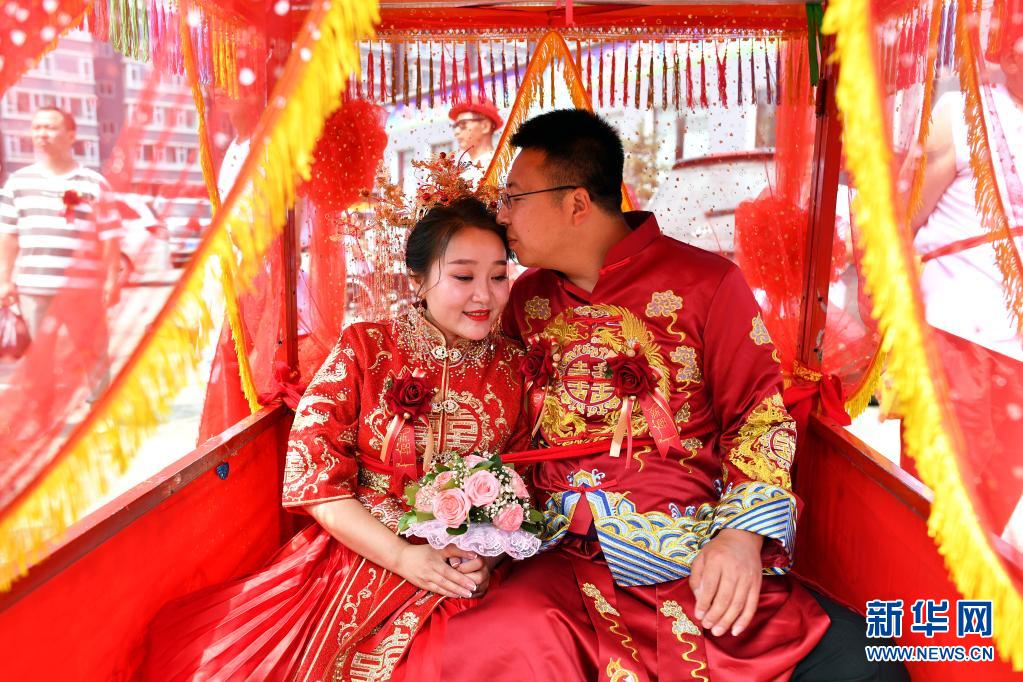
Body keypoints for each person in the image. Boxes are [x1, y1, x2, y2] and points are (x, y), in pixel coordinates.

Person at [425, 110, 905, 681]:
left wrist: (740, 537)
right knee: (487, 643)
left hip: (686, 547)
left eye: (515, 198)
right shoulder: (523, 300)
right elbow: (487, 411)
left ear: (576, 203)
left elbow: (758, 419)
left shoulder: (706, 284)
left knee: (866, 662)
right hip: (559, 557)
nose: (502, 215)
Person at [144, 190, 529, 680]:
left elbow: (524, 484)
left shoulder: (515, 368)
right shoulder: (366, 348)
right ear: (418, 279)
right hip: (361, 551)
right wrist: (402, 556)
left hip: (466, 567)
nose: (485, 296)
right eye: (463, 276)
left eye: (498, 276)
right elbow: (313, 474)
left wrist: (488, 561)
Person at [910, 4, 1023, 546]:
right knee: (938, 497)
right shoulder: (959, 113)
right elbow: (902, 219)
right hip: (954, 337)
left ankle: (959, 599)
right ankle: (913, 597)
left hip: (1017, 353)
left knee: (996, 505)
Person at [0, 106, 119, 400]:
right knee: (39, 359)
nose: (42, 134)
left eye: (50, 128)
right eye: (37, 128)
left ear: (71, 136)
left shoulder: (94, 183)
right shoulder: (18, 183)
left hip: (83, 291)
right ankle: (44, 414)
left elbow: (110, 236)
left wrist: (111, 280)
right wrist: (4, 280)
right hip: (34, 289)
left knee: (94, 354)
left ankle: (101, 411)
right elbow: (8, 235)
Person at [449, 95, 503, 185]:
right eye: (455, 126)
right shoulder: (464, 170)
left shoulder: (500, 167)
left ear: (485, 126)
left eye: (463, 124)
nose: (456, 132)